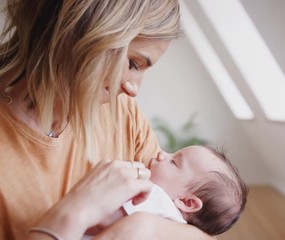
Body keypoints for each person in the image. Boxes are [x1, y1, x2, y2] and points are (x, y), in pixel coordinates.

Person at [0, 0, 218, 239]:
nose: (133, 89)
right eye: (133, 63)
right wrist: (75, 213)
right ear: (79, 33)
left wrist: (144, 226)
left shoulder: (123, 114)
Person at [83, 145, 249, 238]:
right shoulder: (175, 226)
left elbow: (100, 218)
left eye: (174, 162)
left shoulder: (157, 198)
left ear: (187, 202)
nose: (162, 154)